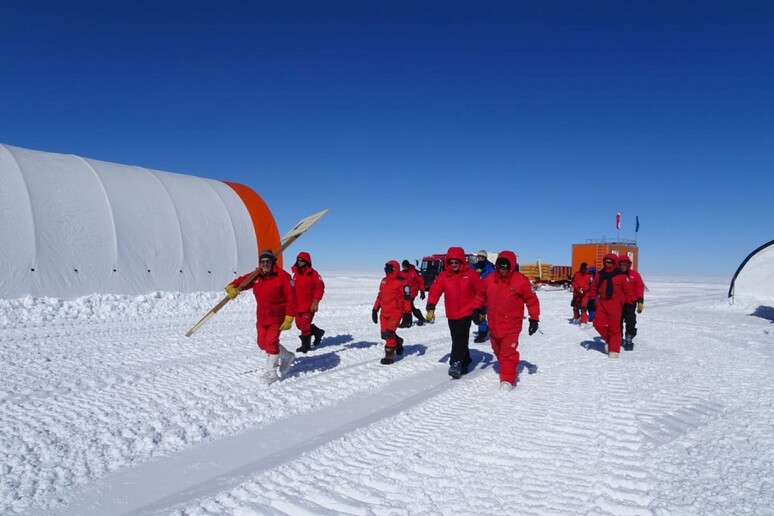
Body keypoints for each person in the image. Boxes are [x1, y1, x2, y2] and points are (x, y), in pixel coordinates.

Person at [225, 250, 297, 384]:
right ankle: (288, 357)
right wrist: (232, 287)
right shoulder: (257, 275)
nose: (265, 265)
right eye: (262, 262)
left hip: (277, 317)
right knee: (262, 344)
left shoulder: (282, 277)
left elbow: (291, 297)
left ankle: (272, 373)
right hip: (262, 317)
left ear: (273, 262)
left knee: (270, 343)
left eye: (268, 262)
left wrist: (289, 317)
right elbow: (243, 281)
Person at [473, 251, 540, 391]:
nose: (502, 269)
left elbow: (532, 300)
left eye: (505, 266)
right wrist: (477, 309)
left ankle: (508, 380)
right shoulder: (490, 279)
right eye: (500, 266)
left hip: (511, 325)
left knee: (507, 353)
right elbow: (480, 295)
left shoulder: (520, 281)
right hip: (494, 323)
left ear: (511, 266)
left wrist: (534, 318)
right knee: (497, 350)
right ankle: (508, 364)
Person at [425, 247, 481, 378]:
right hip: (451, 313)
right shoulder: (444, 276)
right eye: (451, 262)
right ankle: (466, 360)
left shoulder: (470, 275)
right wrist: (431, 307)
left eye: (456, 262)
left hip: (467, 312)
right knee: (457, 338)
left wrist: (479, 308)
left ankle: (455, 362)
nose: (454, 265)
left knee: (460, 337)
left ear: (462, 262)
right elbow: (435, 291)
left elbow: (481, 292)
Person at [589, 253, 634, 359]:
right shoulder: (600, 274)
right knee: (597, 324)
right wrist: (591, 300)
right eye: (605, 262)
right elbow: (594, 287)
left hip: (615, 303)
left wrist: (629, 302)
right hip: (602, 302)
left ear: (614, 263)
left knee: (614, 328)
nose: (606, 264)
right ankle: (610, 340)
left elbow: (628, 290)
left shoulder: (621, 275)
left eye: (609, 262)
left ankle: (613, 350)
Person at [372, 260, 412, 365]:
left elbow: (407, 298)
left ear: (394, 269)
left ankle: (389, 355)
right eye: (386, 268)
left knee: (389, 333)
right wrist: (375, 309)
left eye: (389, 268)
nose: (386, 270)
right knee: (384, 334)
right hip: (384, 312)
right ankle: (398, 342)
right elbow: (380, 296)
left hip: (396, 312)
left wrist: (407, 313)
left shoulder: (402, 281)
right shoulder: (384, 281)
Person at [291, 251, 326, 354]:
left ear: (307, 261)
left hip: (309, 306)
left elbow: (320, 287)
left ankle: (305, 346)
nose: (300, 262)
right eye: (298, 260)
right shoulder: (296, 273)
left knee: (305, 326)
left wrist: (316, 301)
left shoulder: (313, 274)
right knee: (299, 325)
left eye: (302, 260)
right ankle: (317, 332)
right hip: (297, 306)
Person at [618, 255, 645, 351]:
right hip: (618, 303)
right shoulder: (615, 275)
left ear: (628, 265)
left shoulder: (634, 275)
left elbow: (639, 287)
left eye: (625, 265)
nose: (623, 267)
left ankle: (629, 338)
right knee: (617, 322)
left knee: (630, 321)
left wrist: (640, 301)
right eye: (621, 265)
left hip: (630, 303)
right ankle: (618, 338)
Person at [470, 250, 495, 343]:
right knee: (477, 314)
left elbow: (493, 280)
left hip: (487, 295)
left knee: (485, 313)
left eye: (482, 258)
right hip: (475, 295)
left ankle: (482, 333)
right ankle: (483, 330)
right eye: (478, 257)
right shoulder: (473, 267)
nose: (480, 259)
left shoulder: (490, 268)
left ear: (485, 258)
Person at [399, 259, 427, 327]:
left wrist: (422, 291)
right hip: (404, 293)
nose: (404, 268)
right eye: (403, 267)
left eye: (405, 267)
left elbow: (421, 281)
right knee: (410, 307)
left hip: (412, 292)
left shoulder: (414, 272)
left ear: (408, 266)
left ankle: (406, 322)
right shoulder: (401, 273)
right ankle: (420, 318)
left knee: (408, 306)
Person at [570, 262, 592, 327]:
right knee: (575, 307)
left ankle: (583, 322)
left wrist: (583, 289)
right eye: (582, 268)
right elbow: (573, 282)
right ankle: (576, 318)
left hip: (585, 294)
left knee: (583, 307)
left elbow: (589, 284)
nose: (583, 269)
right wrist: (578, 288)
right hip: (576, 293)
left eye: (584, 268)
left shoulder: (589, 275)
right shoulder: (577, 274)